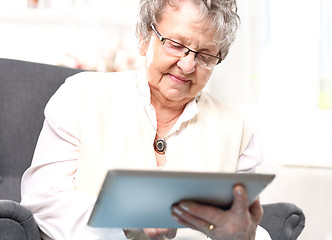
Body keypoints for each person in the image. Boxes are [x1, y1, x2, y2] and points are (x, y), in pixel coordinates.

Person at [20, 0, 272, 239]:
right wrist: (124, 221)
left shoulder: (237, 129)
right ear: (143, 37)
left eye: (205, 55)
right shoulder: (80, 95)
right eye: (175, 44)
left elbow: (245, 224)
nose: (187, 65)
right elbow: (43, 203)